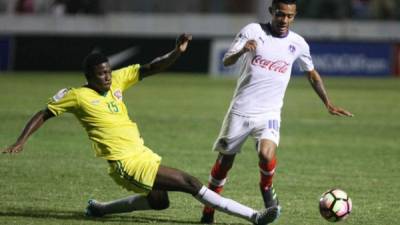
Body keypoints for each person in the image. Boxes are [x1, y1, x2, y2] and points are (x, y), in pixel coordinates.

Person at [2, 33, 279, 225]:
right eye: (101, 74)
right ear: (88, 77)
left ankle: (99, 209)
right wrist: (21, 140)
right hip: (126, 163)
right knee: (191, 183)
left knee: (160, 203)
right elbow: (44, 113)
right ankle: (254, 216)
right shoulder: (76, 95)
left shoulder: (117, 81)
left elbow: (150, 67)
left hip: (142, 153)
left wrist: (177, 52)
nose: (108, 76)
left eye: (109, 71)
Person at [200, 0, 354, 223]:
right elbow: (226, 60)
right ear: (272, 12)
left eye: (290, 16)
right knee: (224, 165)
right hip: (241, 112)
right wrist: (243, 49)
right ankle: (208, 211)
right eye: (280, 15)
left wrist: (327, 103)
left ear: (295, 16)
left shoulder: (298, 43)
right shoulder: (253, 31)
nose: (284, 20)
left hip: (270, 113)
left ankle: (266, 186)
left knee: (266, 154)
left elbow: (311, 73)